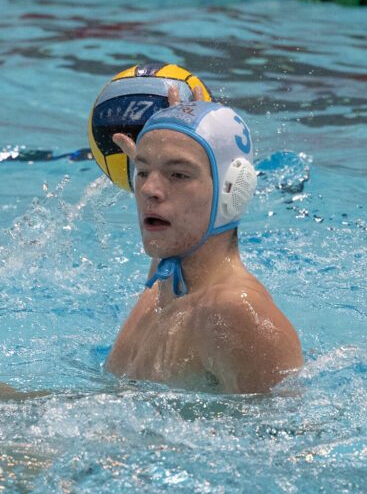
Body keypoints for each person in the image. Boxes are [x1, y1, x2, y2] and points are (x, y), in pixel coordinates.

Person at [105, 101, 303, 393]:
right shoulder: (166, 284)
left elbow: (292, 434)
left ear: (232, 188)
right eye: (143, 171)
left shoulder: (233, 312)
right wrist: (174, 136)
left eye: (179, 175)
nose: (149, 190)